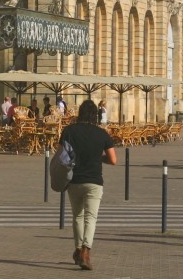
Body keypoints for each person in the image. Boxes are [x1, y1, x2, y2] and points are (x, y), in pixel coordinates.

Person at [60, 100, 116, 271]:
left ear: (80, 114)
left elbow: (62, 155)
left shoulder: (69, 131)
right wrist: (98, 158)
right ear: (95, 115)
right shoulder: (102, 134)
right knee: (90, 218)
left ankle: (78, 249)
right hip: (94, 181)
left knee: (77, 216)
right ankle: (86, 251)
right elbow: (113, 160)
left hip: (74, 180)